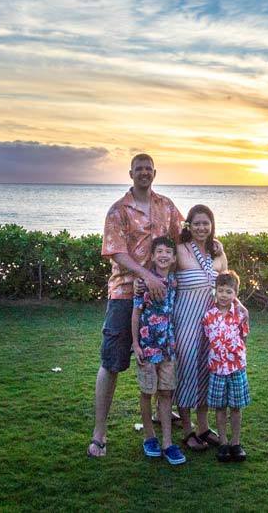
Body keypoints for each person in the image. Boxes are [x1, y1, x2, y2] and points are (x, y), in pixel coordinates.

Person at [87, 153, 183, 459]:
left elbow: (183, 237)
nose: (144, 172)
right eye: (138, 168)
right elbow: (116, 252)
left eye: (148, 168)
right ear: (131, 173)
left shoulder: (165, 206)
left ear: (155, 172)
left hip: (162, 296)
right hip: (125, 294)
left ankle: (161, 423)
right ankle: (99, 434)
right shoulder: (118, 210)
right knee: (112, 362)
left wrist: (214, 245)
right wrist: (145, 276)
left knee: (163, 358)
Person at [173, 204, 230, 451]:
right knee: (186, 370)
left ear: (212, 225)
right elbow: (164, 275)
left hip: (212, 323)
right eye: (196, 223)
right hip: (185, 319)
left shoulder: (217, 251)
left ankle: (204, 427)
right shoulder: (180, 249)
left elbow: (227, 283)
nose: (201, 227)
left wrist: (239, 310)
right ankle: (187, 430)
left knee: (207, 371)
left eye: (205, 223)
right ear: (189, 225)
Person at [132, 237, 185, 465]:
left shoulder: (174, 281)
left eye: (168, 252)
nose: (163, 255)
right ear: (152, 256)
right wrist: (135, 343)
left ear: (174, 258)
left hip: (168, 348)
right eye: (159, 251)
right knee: (147, 392)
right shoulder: (143, 282)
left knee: (166, 393)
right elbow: (135, 314)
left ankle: (167, 442)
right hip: (146, 345)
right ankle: (149, 437)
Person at [203, 269, 250, 463]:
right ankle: (222, 442)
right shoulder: (208, 316)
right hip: (217, 369)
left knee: (236, 407)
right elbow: (208, 338)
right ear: (215, 291)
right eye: (220, 290)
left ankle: (236, 442)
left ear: (235, 294)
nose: (224, 295)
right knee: (220, 407)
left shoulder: (240, 314)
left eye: (228, 292)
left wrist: (236, 356)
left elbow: (244, 336)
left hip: (236, 367)